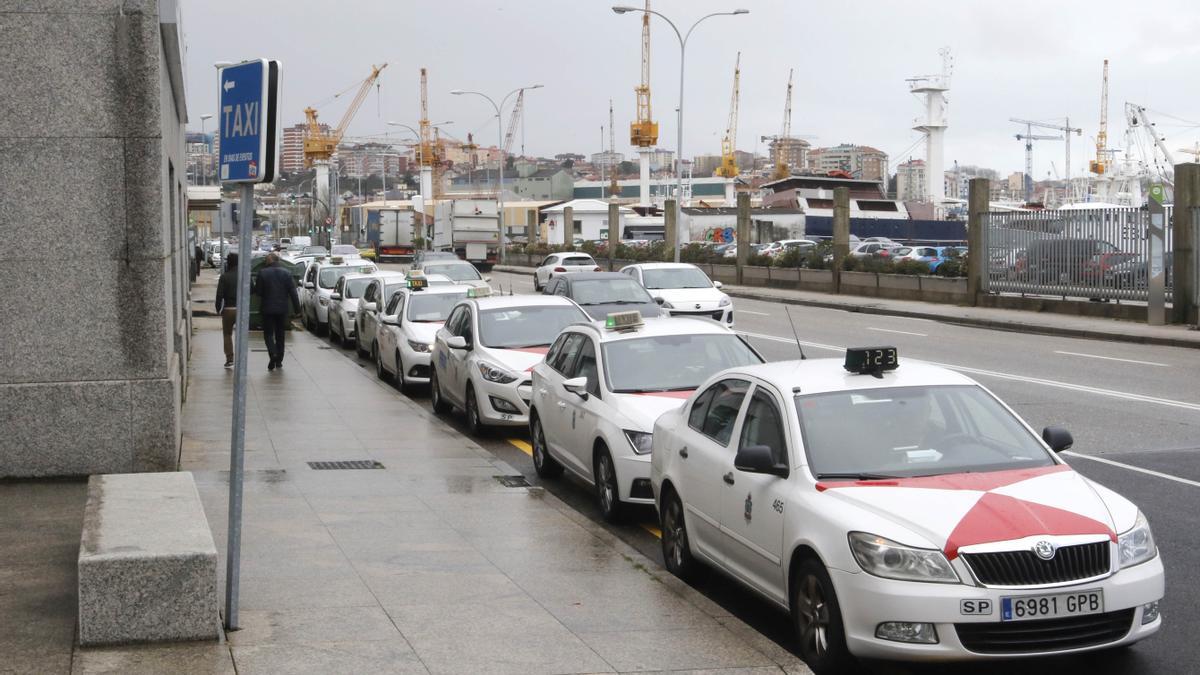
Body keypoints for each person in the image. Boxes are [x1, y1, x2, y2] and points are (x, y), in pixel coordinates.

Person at [256, 253, 300, 371]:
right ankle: (279, 360)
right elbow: (293, 293)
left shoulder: (263, 273)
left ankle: (273, 353)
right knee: (280, 335)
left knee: (268, 334)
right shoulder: (286, 273)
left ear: (270, 260)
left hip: (267, 309)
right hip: (282, 309)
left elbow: (258, 292)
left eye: (266, 259)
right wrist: (297, 309)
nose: (265, 261)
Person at [214, 252, 239, 368]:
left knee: (227, 334)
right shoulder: (244, 275)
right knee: (241, 334)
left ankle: (230, 359)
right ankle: (241, 357)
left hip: (229, 309)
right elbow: (252, 289)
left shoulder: (224, 277)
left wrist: (218, 308)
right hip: (241, 309)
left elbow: (219, 295)